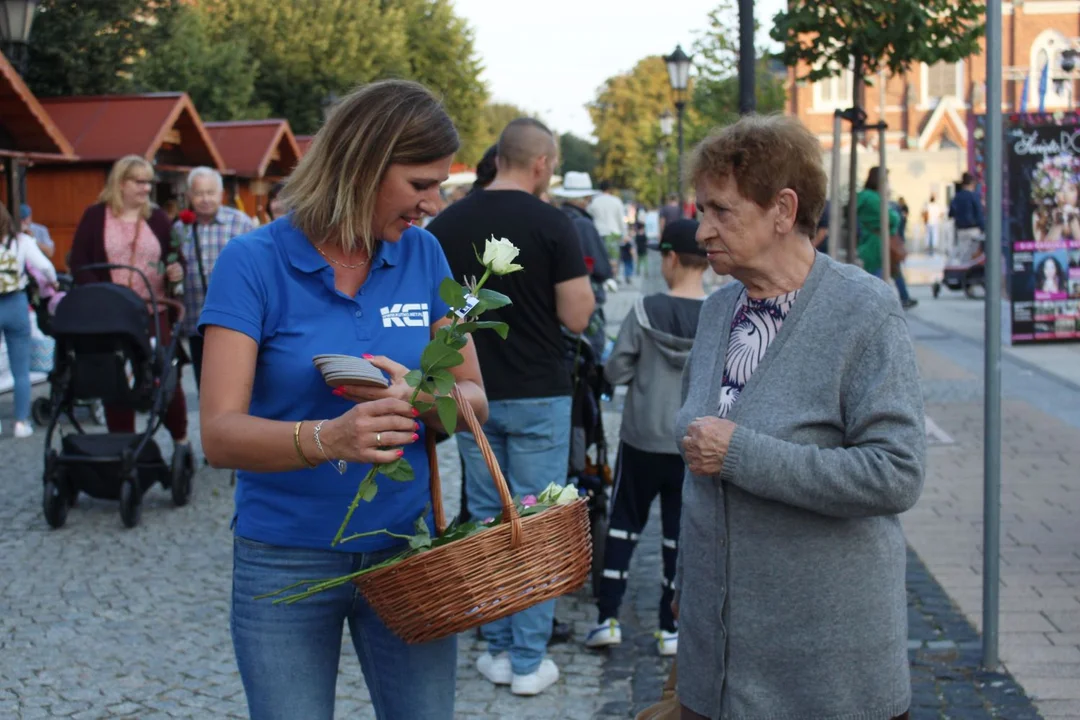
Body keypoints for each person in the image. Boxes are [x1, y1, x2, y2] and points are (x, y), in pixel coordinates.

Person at [198, 80, 486, 720]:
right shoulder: (252, 262)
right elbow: (217, 435)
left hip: (405, 550)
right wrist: (330, 439)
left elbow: (474, 399)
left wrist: (425, 392)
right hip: (284, 558)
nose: (433, 204)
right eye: (420, 185)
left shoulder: (425, 252)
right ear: (362, 163)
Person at [674, 115, 925, 720]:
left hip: (828, 674)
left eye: (721, 210)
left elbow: (896, 473)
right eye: (700, 209)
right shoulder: (716, 314)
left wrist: (742, 454)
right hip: (722, 671)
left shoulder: (863, 311)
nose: (701, 228)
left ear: (783, 209)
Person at [427, 117, 595, 697]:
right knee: (535, 520)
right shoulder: (554, 222)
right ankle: (527, 661)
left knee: (486, 517)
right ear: (543, 164)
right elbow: (576, 315)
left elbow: (437, 315)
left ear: (497, 157)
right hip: (539, 392)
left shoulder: (445, 222)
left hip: (471, 394)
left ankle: (497, 649)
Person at [586, 218, 705, 658]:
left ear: (670, 259)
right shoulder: (718, 313)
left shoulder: (642, 310)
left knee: (624, 525)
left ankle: (607, 619)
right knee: (678, 534)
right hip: (691, 443)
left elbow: (615, 370)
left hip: (640, 439)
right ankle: (670, 628)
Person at [69, 155, 189, 448]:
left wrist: (176, 272)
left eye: (149, 182)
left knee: (166, 378)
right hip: (111, 317)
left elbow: (176, 259)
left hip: (154, 313)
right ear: (121, 183)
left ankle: (181, 441)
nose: (147, 188)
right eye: (139, 182)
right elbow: (80, 262)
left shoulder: (158, 218)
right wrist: (100, 299)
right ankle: (121, 446)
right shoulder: (95, 216)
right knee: (116, 380)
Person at [176, 166, 255, 390]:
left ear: (220, 194)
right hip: (196, 320)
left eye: (210, 193)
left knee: (237, 383)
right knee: (205, 385)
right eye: (199, 193)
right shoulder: (180, 228)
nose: (205, 199)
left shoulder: (240, 223)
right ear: (189, 195)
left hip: (237, 319)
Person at [0, 203, 57, 438]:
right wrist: (53, 283)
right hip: (16, 305)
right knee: (20, 370)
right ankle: (21, 423)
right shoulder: (21, 241)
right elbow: (45, 267)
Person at [552, 171, 613, 357]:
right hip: (583, 301)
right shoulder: (584, 225)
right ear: (585, 198)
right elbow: (602, 269)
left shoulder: (553, 219)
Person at [857, 167, 917, 309]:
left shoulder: (865, 197)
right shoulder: (874, 198)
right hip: (878, 241)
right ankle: (871, 301)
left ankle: (904, 297)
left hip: (872, 239)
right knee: (877, 271)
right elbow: (892, 218)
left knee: (893, 269)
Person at [588, 180, 628, 275]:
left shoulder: (594, 201)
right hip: (613, 232)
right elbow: (621, 219)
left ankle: (602, 276)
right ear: (610, 189)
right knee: (613, 258)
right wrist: (625, 234)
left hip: (598, 231)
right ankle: (613, 277)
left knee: (600, 256)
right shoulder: (616, 201)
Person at [949, 172, 985, 264]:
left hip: (961, 230)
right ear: (972, 183)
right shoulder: (974, 196)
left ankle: (963, 274)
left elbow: (951, 213)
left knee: (963, 256)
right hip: (973, 230)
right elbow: (979, 213)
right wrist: (983, 228)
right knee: (974, 257)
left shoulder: (957, 197)